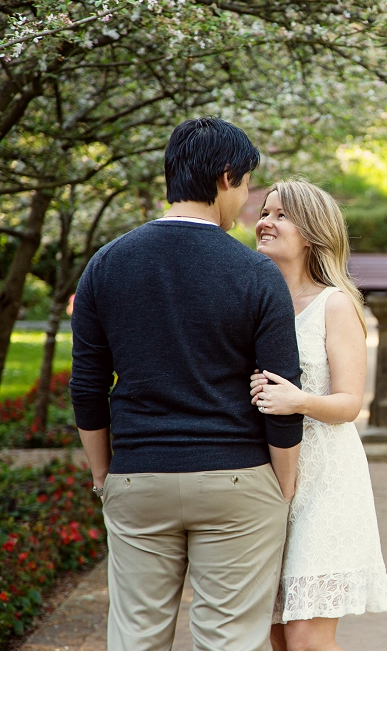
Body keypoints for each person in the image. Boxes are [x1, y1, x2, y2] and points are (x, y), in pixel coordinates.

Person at [69, 118, 304, 651]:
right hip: (237, 481)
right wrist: (283, 485)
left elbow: (86, 387)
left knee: (136, 645)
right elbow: (277, 392)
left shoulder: (106, 264)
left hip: (137, 477)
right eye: (246, 185)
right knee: (228, 651)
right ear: (226, 177)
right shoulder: (254, 272)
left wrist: (107, 476)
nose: (247, 200)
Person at [249, 179, 387, 651]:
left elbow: (350, 403)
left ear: (311, 231)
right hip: (265, 484)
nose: (264, 222)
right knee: (277, 639)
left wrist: (299, 401)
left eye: (280, 215)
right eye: (264, 212)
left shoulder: (335, 304)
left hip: (326, 483)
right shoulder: (252, 301)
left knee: (307, 639)